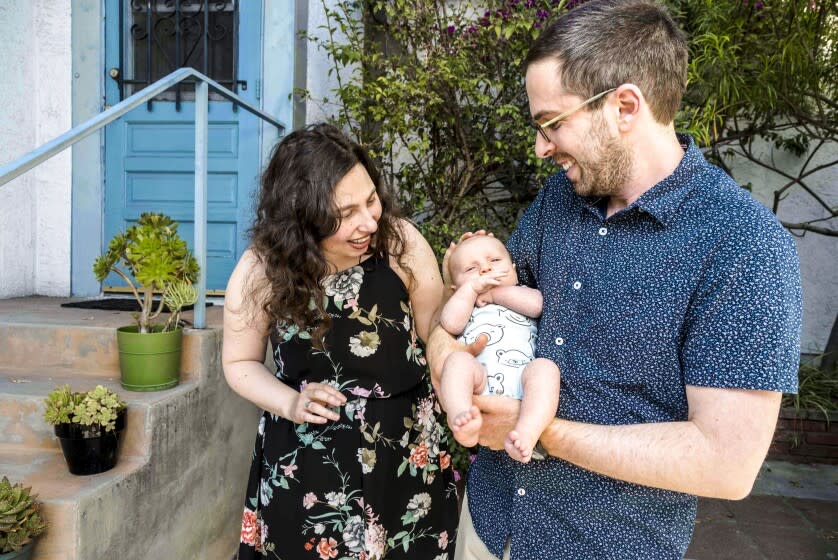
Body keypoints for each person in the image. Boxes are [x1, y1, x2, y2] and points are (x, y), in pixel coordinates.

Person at [427, 1, 802, 559]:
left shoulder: (743, 245)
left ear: (625, 106)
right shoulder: (560, 198)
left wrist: (538, 431)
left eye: (551, 124)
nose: (541, 147)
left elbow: (727, 464)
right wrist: (447, 362)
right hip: (490, 522)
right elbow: (483, 308)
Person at [223, 123, 459, 559]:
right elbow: (240, 364)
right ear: (301, 217)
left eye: (370, 200)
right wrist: (289, 402)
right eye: (344, 212)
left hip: (406, 451)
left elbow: (436, 335)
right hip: (309, 460)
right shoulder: (261, 269)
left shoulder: (400, 243)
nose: (369, 221)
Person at [438, 234, 559, 463]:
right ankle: (462, 417)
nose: (485, 269)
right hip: (480, 378)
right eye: (471, 268)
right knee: (456, 362)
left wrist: (494, 293)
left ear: (513, 270)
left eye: (494, 261)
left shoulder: (520, 292)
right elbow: (451, 323)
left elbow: (537, 306)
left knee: (545, 369)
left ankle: (527, 431)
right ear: (455, 287)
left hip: (523, 380)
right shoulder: (466, 305)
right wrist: (469, 291)